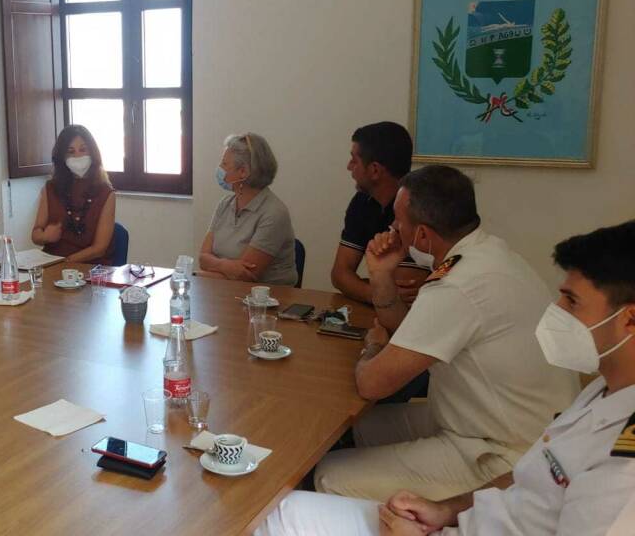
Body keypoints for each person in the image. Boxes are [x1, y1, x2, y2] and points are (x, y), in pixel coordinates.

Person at [256, 220, 635, 536]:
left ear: (628, 320)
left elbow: (373, 381)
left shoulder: (624, 474)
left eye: (571, 302)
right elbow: (530, 477)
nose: (554, 311)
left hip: (484, 446)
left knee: (274, 514)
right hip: (468, 499)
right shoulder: (606, 391)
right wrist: (444, 510)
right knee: (307, 479)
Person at [312, 165, 579, 502]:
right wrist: (381, 275)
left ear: (422, 235)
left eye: (398, 221)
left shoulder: (459, 284)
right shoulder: (489, 254)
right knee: (359, 428)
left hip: (505, 456)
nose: (392, 228)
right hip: (504, 424)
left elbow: (372, 383)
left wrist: (373, 348)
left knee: (330, 474)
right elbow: (406, 331)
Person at [332, 122, 429, 307]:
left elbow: (412, 285)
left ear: (375, 170)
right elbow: (340, 274)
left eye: (354, 160)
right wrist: (381, 295)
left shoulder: (421, 205)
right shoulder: (362, 203)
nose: (348, 166)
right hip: (383, 312)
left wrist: (385, 294)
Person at [199, 132, 298, 285]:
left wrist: (195, 276)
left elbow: (245, 276)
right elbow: (203, 258)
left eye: (224, 164)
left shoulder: (274, 213)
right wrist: (226, 266)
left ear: (243, 172)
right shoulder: (224, 204)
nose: (219, 169)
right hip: (225, 293)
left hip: (268, 302)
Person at [31, 125, 117, 264]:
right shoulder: (51, 188)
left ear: (93, 153)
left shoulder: (105, 192)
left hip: (90, 270)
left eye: (83, 150)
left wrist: (65, 263)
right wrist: (45, 237)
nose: (78, 156)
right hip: (51, 264)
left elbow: (99, 248)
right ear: (62, 157)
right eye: (71, 152)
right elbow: (35, 235)